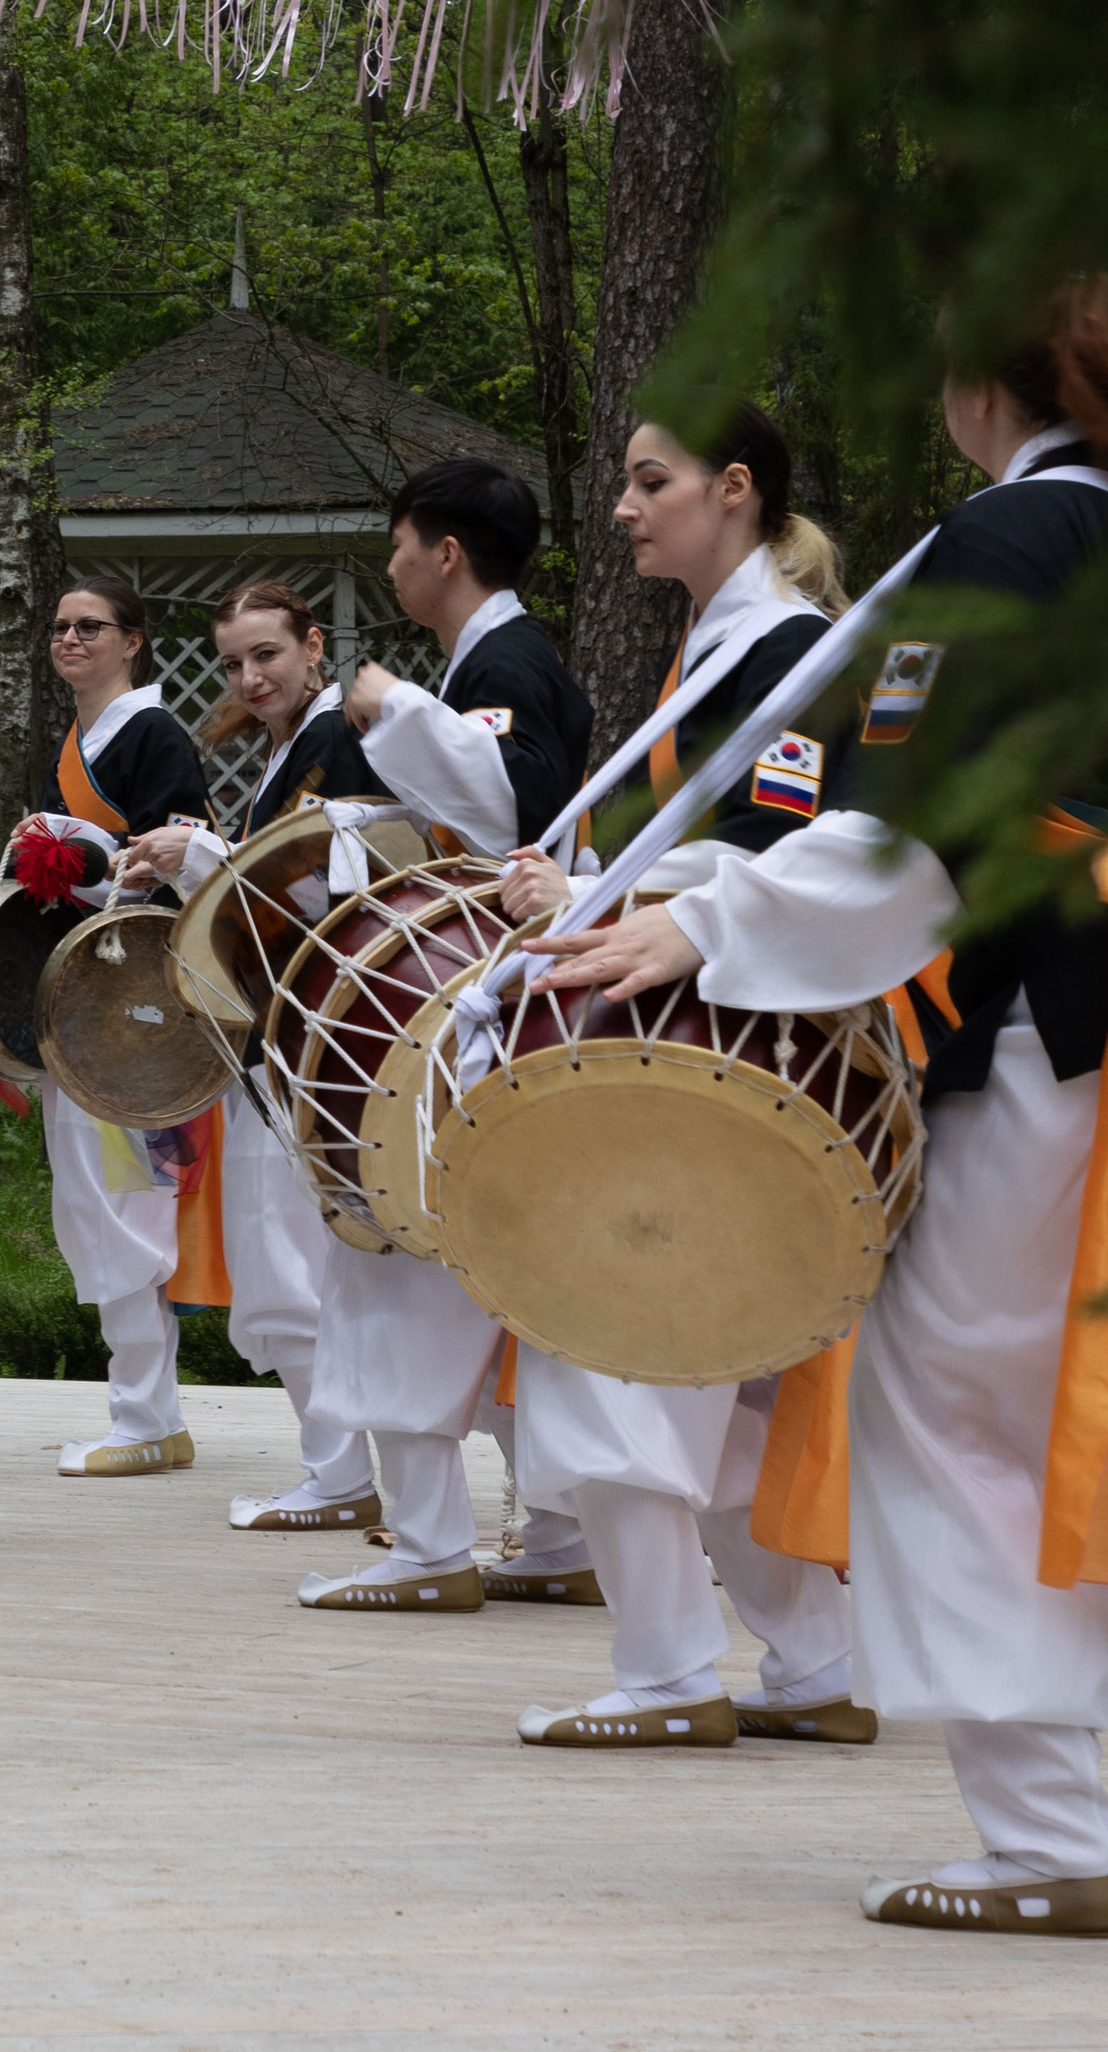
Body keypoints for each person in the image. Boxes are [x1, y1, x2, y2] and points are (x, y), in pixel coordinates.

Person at [524, 298, 1108, 1928]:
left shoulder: (1006, 543)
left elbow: (915, 825)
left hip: (1044, 1018)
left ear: (984, 381)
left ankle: (1058, 1834)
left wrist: (705, 924)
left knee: (961, 1411)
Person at [494, 402, 870, 1751]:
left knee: (628, 1339)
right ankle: (815, 1660)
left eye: (651, 481)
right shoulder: (725, 648)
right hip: (704, 1039)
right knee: (729, 1363)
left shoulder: (787, 652)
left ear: (737, 487)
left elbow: (802, 844)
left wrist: (607, 884)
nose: (623, 506)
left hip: (719, 1046)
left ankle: (665, 1674)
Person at [290, 458, 594, 1613]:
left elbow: (512, 816)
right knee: (501, 1263)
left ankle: (427, 1542)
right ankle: (559, 1533)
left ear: (447, 551)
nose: (391, 562)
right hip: (475, 992)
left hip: (457, 1003)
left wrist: (398, 713)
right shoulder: (495, 662)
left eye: (400, 542)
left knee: (402, 1257)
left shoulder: (503, 664)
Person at [0, 579, 220, 1480]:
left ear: (134, 641)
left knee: (119, 1198)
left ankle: (149, 1416)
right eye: (61, 627)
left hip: (126, 997)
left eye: (91, 627)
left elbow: (169, 860)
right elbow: (46, 866)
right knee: (91, 1198)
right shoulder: (80, 742)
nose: (71, 638)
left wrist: (82, 858)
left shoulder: (154, 737)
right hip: (75, 993)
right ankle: (146, 1412)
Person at [116, 581, 377, 1530]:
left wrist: (197, 858)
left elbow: (329, 889)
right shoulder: (292, 750)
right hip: (285, 1029)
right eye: (233, 662)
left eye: (267, 654)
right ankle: (339, 1469)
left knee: (290, 1264)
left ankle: (343, 1476)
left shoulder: (336, 740)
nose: (250, 676)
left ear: (313, 646)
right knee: (289, 1264)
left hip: (317, 1031)